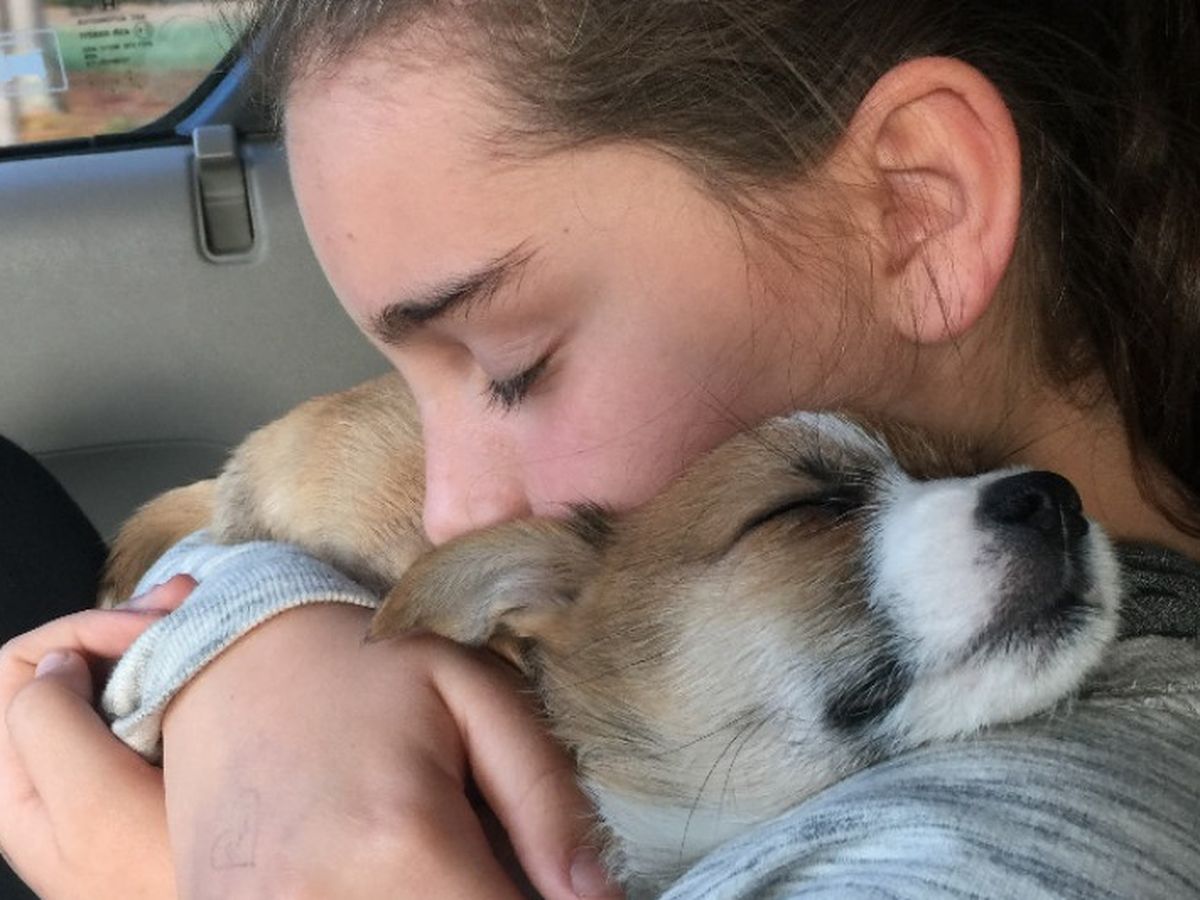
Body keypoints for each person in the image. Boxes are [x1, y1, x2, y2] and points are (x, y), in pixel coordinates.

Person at [3, 1, 1199, 897]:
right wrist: (272, 640)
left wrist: (166, 873)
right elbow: (236, 561)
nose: (450, 511)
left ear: (914, 210)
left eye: (516, 366)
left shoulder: (1024, 841)